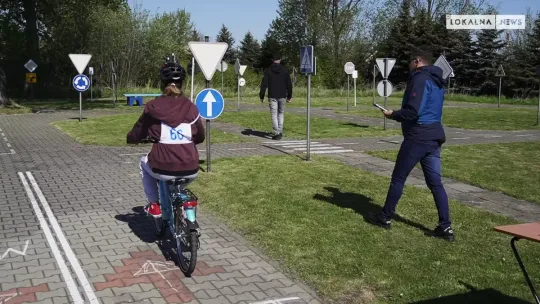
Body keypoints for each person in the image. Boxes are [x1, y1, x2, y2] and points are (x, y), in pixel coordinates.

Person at [367, 50, 455, 242]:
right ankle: (445, 226)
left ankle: (385, 217)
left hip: (418, 137)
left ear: (417, 61)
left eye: (410, 62)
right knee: (436, 184)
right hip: (434, 136)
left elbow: (412, 111)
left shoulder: (420, 79)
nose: (409, 66)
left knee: (398, 178)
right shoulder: (438, 81)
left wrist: (393, 115)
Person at [126, 54, 205, 218]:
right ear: (182, 84)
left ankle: (154, 204)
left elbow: (139, 130)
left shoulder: (153, 106)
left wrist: (132, 138)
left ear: (162, 84)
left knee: (143, 163)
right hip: (191, 167)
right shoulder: (191, 107)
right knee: (179, 182)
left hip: (162, 166)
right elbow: (200, 136)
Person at [259, 53, 293, 140]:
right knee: (281, 113)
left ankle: (276, 132)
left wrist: (261, 95)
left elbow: (264, 84)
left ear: (272, 60)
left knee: (274, 114)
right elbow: (289, 84)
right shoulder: (285, 71)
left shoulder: (268, 71)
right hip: (282, 95)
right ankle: (280, 131)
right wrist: (289, 96)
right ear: (280, 60)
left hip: (272, 95)